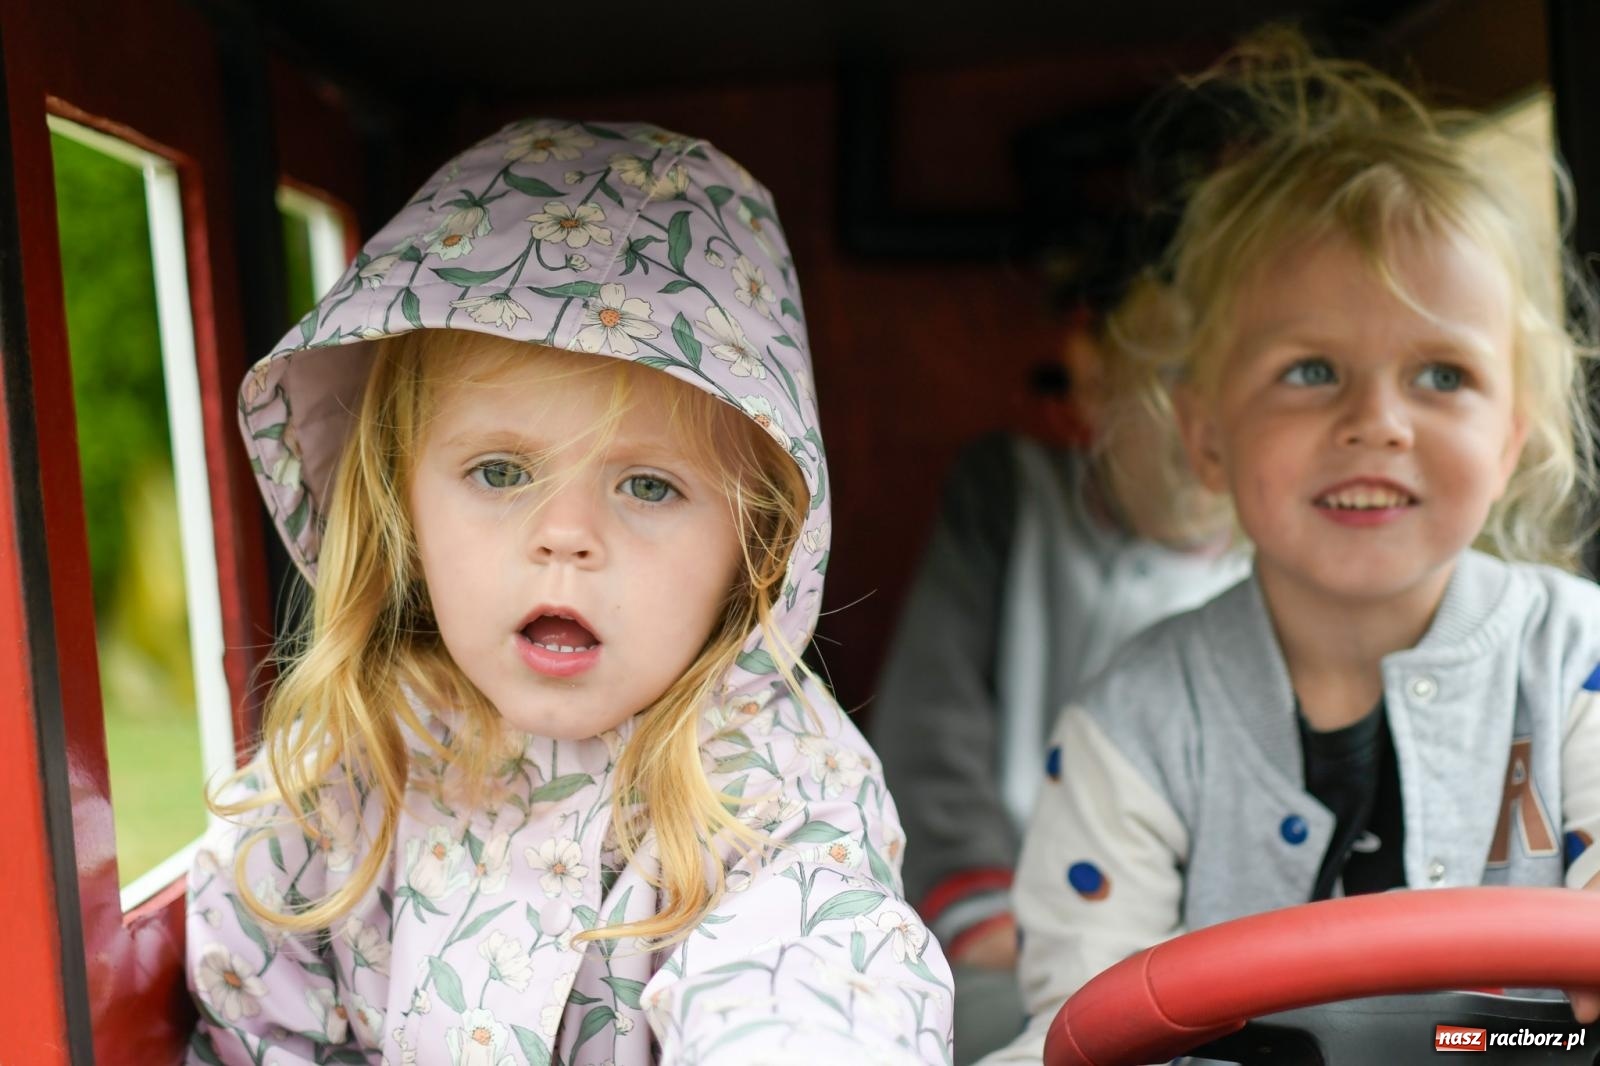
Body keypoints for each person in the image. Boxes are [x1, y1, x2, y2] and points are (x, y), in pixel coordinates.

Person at [185, 119, 953, 1066]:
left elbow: (811, 980)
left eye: (648, 486)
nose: (566, 537)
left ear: (755, 545)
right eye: (501, 472)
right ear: (401, 501)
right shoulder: (343, 772)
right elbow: (258, 1017)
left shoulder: (777, 784)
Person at [981, 29, 1600, 1063]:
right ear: (1206, 437)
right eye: (1311, 370)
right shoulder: (1130, 726)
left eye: (1440, 375)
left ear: (1509, 438)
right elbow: (1084, 1024)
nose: (1378, 422)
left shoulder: (1578, 658)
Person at [871, 269, 1249, 1061]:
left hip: (1205, 968)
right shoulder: (1011, 495)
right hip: (998, 929)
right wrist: (980, 916)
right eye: (1175, 378)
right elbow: (928, 733)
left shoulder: (1289, 568)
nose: (1205, 423)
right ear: (1093, 379)